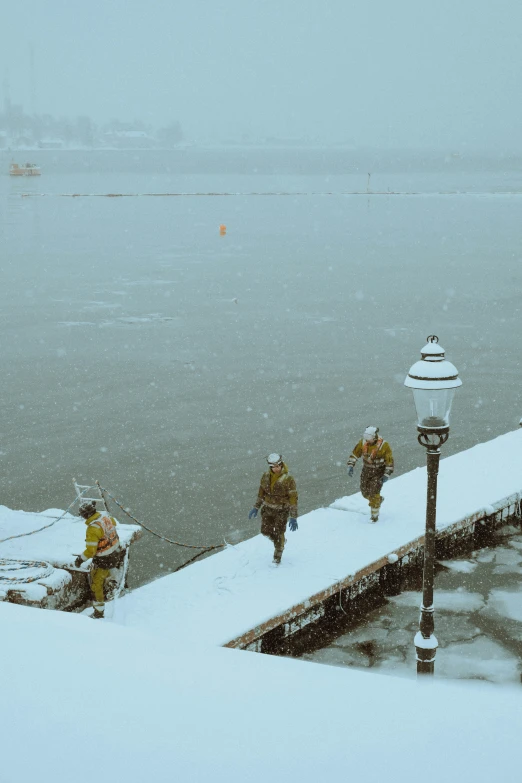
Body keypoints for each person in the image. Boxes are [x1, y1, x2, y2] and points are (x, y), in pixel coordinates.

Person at [75, 501, 124, 618]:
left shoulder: (92, 529)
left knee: (96, 585)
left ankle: (98, 613)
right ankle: (111, 585)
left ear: (85, 515)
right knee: (106, 575)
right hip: (115, 552)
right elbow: (114, 523)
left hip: (104, 559)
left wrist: (80, 560)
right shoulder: (105, 517)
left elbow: (91, 551)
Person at [248, 453, 298, 564]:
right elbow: (261, 494)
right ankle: (280, 542)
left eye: (278, 466)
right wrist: (256, 507)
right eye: (274, 467)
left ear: (281, 465)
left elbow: (293, 498)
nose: (276, 469)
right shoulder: (265, 476)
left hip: (281, 510)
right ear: (270, 467)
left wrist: (293, 516)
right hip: (267, 509)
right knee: (265, 531)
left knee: (279, 531)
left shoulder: (288, 479)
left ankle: (278, 554)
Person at [346, 426, 394, 522]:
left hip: (378, 472)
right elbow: (355, 454)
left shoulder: (384, 446)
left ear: (374, 437)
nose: (368, 441)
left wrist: (386, 474)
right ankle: (378, 500)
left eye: (370, 439)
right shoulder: (362, 443)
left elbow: (389, 461)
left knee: (374, 493)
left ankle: (374, 516)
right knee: (365, 492)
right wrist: (350, 465)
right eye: (366, 439)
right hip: (366, 471)